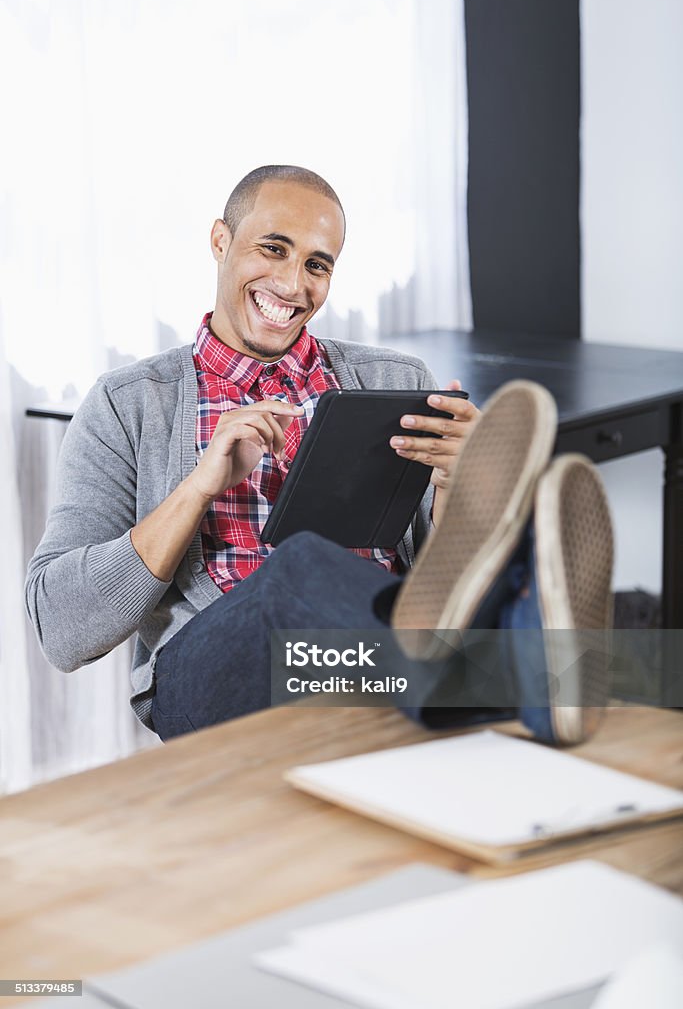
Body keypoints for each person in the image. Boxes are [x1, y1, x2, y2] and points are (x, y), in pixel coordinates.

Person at [25, 165, 614, 747]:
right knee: (302, 566)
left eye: (317, 264)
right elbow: (62, 627)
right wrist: (198, 487)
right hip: (211, 674)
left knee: (471, 556)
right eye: (273, 249)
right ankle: (500, 650)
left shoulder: (393, 379)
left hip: (361, 666)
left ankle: (479, 637)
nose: (292, 283)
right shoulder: (127, 404)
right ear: (220, 241)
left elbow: (438, 564)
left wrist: (457, 484)